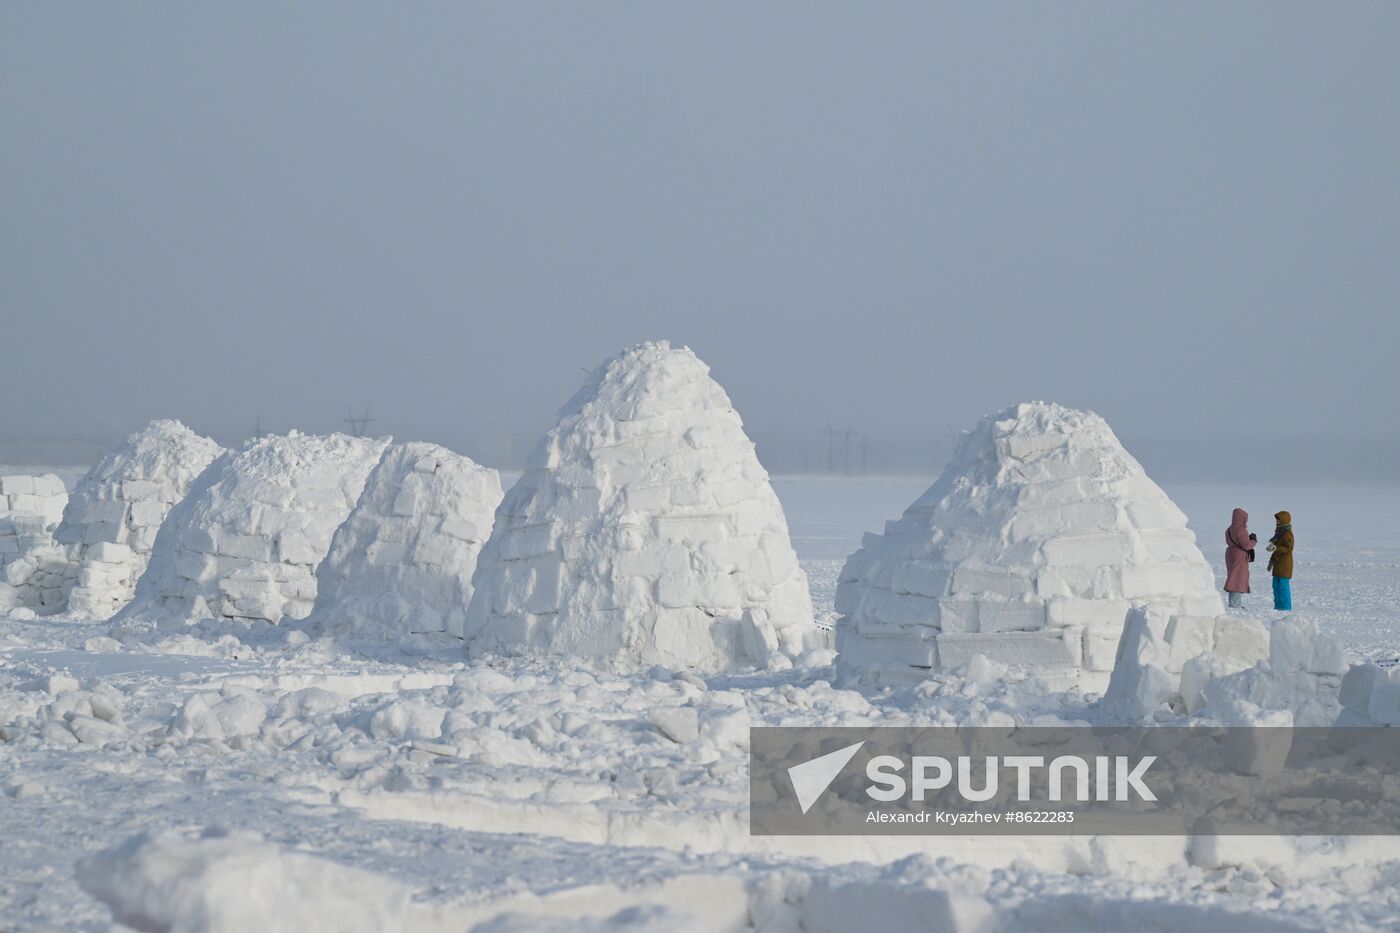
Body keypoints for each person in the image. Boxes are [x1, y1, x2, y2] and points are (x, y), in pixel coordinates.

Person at [1223, 507, 1258, 608]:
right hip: (1239, 555)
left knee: (1233, 577)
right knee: (1238, 578)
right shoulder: (1241, 529)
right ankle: (1235, 604)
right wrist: (1253, 541)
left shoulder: (1229, 529)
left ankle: (1234, 602)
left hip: (1231, 554)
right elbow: (1246, 545)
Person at [1267, 510, 1294, 610]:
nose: (1276, 522)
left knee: (1283, 587)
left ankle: (1286, 608)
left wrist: (1276, 548)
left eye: (1278, 520)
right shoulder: (1279, 533)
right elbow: (1277, 549)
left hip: (1285, 565)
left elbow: (1289, 548)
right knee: (1276, 586)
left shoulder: (1287, 534)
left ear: (1283, 521)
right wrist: (1271, 560)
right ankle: (1278, 607)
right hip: (1277, 564)